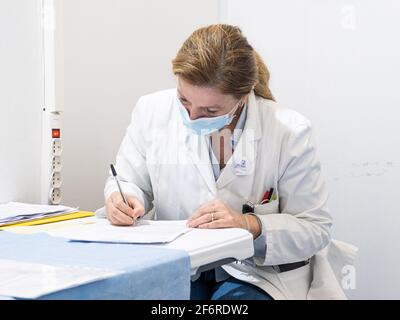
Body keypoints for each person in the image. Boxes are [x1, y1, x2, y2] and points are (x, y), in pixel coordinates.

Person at [103, 24, 346, 300]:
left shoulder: (289, 131)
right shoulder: (151, 110)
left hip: (255, 271)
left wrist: (249, 224)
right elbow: (128, 181)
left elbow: (314, 227)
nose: (192, 117)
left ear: (242, 97)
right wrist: (123, 199)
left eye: (210, 110)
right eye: (183, 100)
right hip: (182, 264)